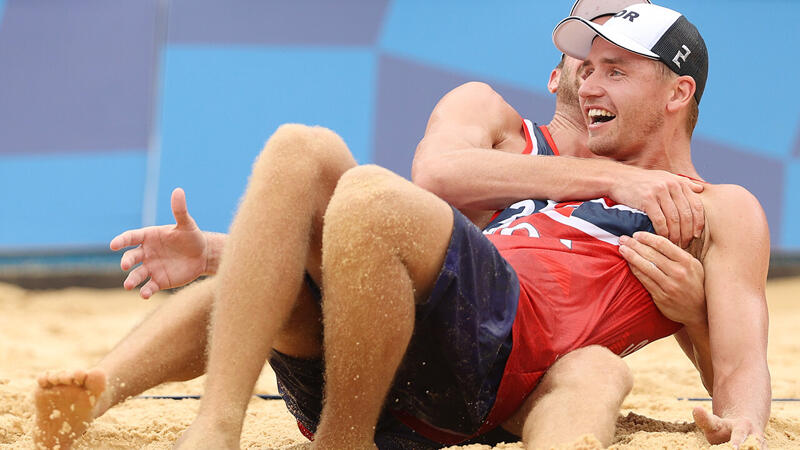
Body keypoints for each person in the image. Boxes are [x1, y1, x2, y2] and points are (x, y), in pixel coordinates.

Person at [32, 1, 714, 449]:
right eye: (585, 53)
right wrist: (224, 251)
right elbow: (432, 183)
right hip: (398, 318)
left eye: (613, 60)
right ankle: (165, 409)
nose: (594, 71)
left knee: (591, 370)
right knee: (303, 157)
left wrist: (697, 310)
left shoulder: (666, 196)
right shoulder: (504, 127)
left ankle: (327, 435)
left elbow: (389, 234)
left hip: (486, 360)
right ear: (559, 71)